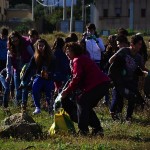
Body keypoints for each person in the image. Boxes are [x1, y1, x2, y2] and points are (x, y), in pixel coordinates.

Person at [61, 42, 110, 136]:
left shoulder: (77, 60)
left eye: (69, 51)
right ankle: (97, 129)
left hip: (98, 84)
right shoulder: (80, 59)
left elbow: (77, 77)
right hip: (102, 84)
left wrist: (67, 91)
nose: (67, 53)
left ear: (75, 51)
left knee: (81, 101)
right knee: (85, 106)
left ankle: (83, 131)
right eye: (66, 51)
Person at [109, 35, 147, 122]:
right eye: (138, 44)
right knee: (118, 99)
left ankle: (128, 118)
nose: (140, 46)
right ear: (132, 44)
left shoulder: (138, 57)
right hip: (119, 81)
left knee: (133, 97)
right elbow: (111, 61)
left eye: (141, 44)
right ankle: (115, 115)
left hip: (130, 82)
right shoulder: (124, 51)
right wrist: (117, 64)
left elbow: (143, 69)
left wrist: (146, 73)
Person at [21, 39, 55, 114]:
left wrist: (49, 75)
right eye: (39, 45)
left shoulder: (51, 56)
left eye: (42, 45)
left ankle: (50, 108)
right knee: (35, 88)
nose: (41, 47)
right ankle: (37, 107)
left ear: (46, 46)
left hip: (49, 77)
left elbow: (55, 68)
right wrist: (23, 80)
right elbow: (29, 68)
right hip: (39, 76)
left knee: (49, 92)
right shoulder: (35, 57)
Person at [6, 31, 34, 109]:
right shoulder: (10, 49)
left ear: (19, 39)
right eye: (13, 41)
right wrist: (8, 74)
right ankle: (18, 106)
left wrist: (30, 66)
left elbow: (33, 56)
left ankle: (23, 105)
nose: (15, 43)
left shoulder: (26, 45)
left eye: (16, 41)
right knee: (17, 89)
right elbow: (8, 64)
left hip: (26, 70)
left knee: (24, 88)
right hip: (17, 70)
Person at [0, 28, 9, 93]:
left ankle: (4, 89)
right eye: (2, 35)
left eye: (4, 35)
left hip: (6, 61)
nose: (3, 37)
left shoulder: (9, 41)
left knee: (4, 76)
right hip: (0, 60)